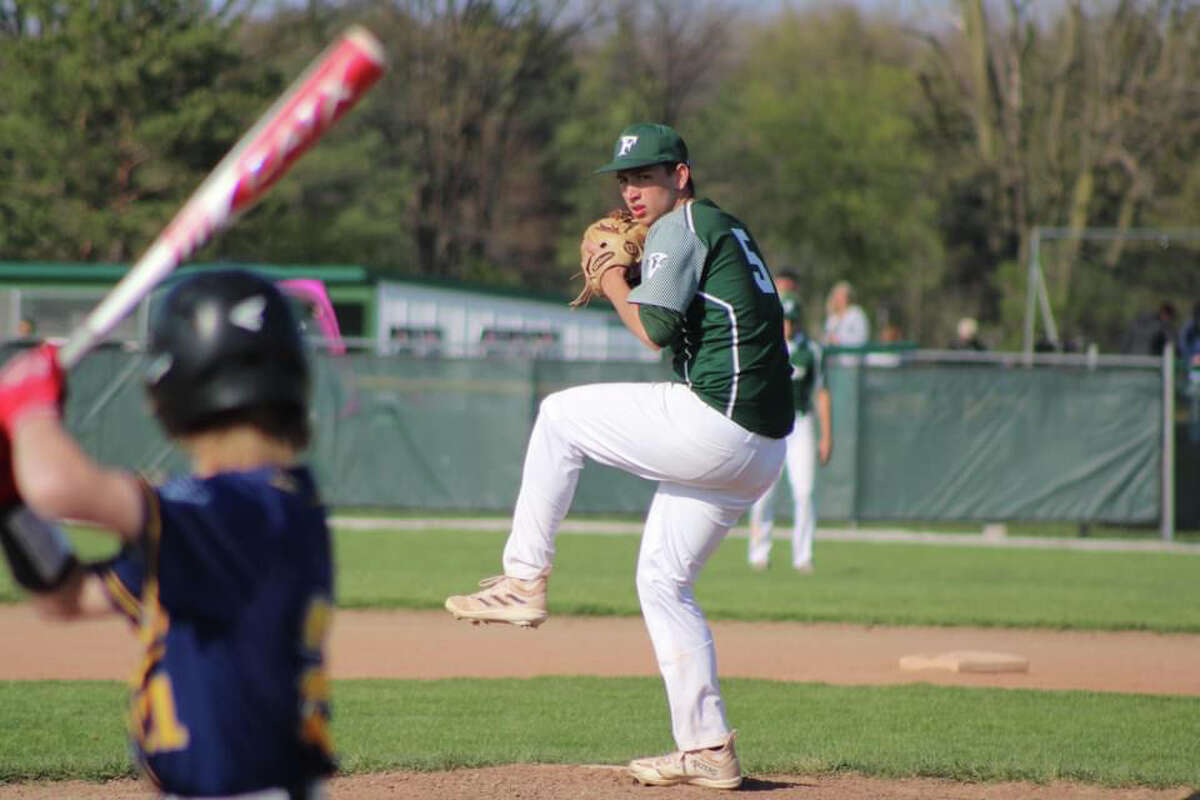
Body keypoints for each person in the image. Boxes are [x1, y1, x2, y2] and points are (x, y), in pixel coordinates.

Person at [444, 122, 792, 790]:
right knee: (663, 580)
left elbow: (653, 333)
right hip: (762, 447)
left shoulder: (682, 227)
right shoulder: (720, 226)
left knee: (559, 417)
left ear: (680, 177)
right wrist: (634, 269)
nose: (632, 192)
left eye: (647, 176)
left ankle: (522, 579)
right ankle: (707, 749)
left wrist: (610, 278)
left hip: (716, 424)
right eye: (625, 180)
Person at [0, 270, 335, 798]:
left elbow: (61, 485)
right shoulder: (238, 526)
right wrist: (13, 508)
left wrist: (28, 407)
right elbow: (65, 595)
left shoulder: (245, 514)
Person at [748, 292, 832, 573]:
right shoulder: (765, 345)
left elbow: (821, 393)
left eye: (793, 321)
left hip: (800, 423)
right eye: (785, 320)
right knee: (763, 493)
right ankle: (759, 553)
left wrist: (827, 435)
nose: (788, 326)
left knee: (805, 492)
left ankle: (803, 556)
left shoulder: (812, 350)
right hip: (770, 425)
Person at [822, 280, 869, 365]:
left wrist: (839, 340)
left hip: (853, 364)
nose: (837, 299)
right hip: (833, 365)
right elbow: (825, 340)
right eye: (835, 296)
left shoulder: (856, 314)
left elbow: (861, 339)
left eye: (840, 296)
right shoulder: (832, 318)